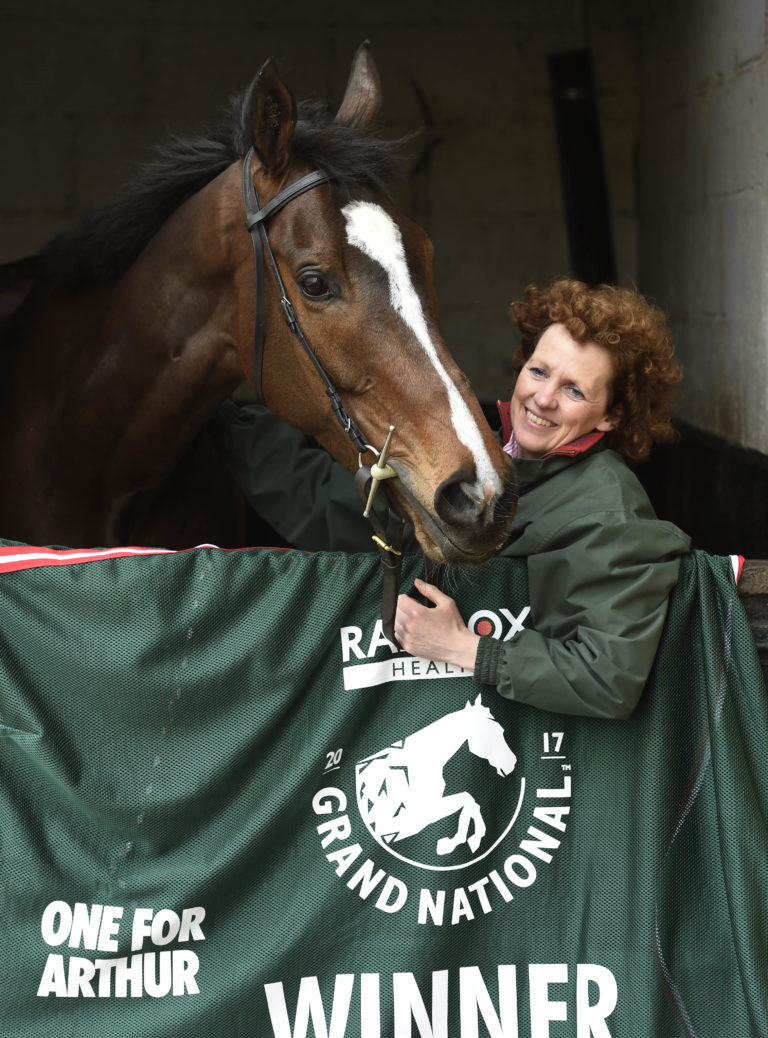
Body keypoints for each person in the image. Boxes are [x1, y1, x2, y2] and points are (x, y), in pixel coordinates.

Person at [209, 277, 691, 719]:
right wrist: (220, 420)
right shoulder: (494, 455)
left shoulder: (609, 511)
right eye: (539, 371)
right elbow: (346, 508)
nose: (543, 398)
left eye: (574, 390)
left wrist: (464, 648)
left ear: (610, 416)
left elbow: (608, 679)